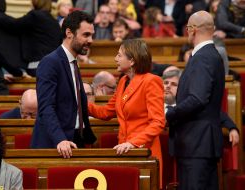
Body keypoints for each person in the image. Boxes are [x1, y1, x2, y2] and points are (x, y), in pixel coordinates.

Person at [88, 39, 165, 188]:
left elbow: (158, 122)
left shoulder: (151, 81)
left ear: (132, 61)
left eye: (119, 55)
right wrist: (80, 104)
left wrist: (132, 143)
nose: (115, 59)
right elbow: (106, 112)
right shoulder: (123, 81)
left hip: (145, 153)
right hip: (125, 152)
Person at [166, 11, 226, 190]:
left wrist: (169, 112)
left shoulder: (203, 58)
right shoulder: (211, 55)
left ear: (191, 30)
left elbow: (197, 99)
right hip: (200, 143)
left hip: (197, 143)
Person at [31, 11, 97, 158]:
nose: (91, 40)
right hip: (55, 145)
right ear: (69, 33)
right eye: (86, 35)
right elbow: (46, 106)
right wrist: (60, 139)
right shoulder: (50, 62)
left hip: (74, 140)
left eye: (92, 35)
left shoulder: (72, 62)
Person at [0, 0, 61, 76]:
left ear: (36, 2)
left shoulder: (35, 15)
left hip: (38, 66)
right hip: (54, 66)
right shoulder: (54, 22)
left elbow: (13, 24)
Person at [163, 69, 239, 143]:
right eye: (166, 83)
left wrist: (232, 129)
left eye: (174, 84)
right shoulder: (152, 104)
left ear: (182, 88)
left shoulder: (189, 106)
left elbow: (217, 114)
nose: (168, 86)